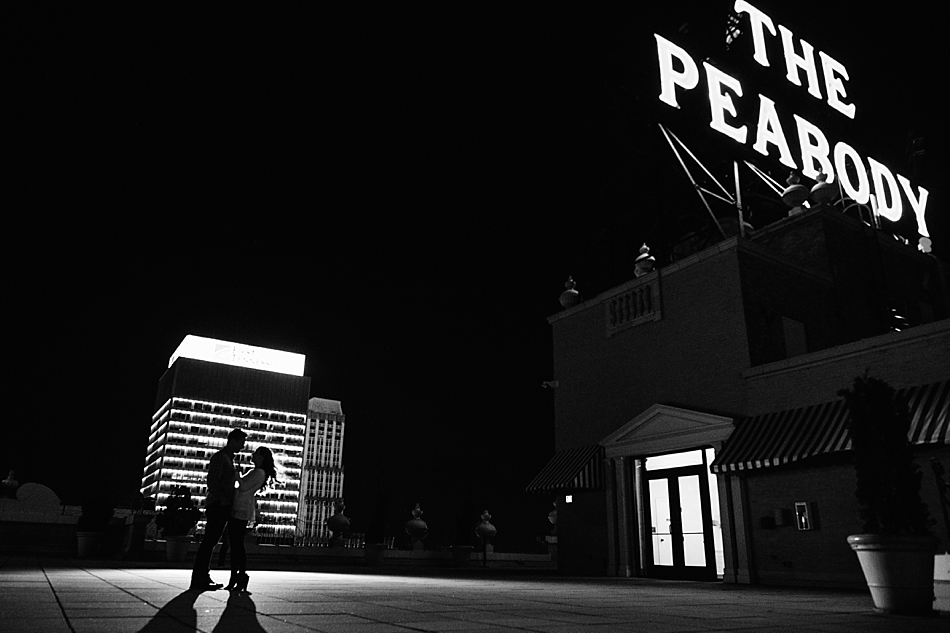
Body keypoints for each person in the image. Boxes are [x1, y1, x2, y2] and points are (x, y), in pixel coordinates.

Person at [190, 427, 247, 591]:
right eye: (241, 442)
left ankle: (202, 576)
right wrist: (223, 499)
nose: (242, 446)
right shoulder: (221, 457)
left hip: (222, 505)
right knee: (209, 541)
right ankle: (200, 577)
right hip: (218, 505)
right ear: (233, 441)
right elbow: (213, 481)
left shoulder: (229, 458)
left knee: (211, 541)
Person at [225, 445, 277, 592]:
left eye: (256, 454)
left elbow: (242, 487)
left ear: (261, 457)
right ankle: (237, 577)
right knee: (236, 545)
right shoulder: (255, 471)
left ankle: (239, 576)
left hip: (241, 509)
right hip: (239, 507)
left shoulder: (259, 472)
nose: (252, 455)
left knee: (237, 545)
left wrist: (237, 475)